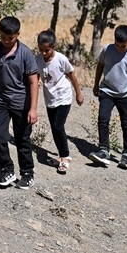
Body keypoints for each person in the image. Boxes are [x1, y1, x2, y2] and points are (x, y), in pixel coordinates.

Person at [0, 16, 42, 190]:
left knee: (22, 140)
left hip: (21, 103)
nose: (7, 41)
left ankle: (27, 173)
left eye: (11, 38)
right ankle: (7, 170)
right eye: (3, 37)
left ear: (18, 34)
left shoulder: (25, 53)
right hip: (0, 100)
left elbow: (34, 82)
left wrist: (33, 109)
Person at [91, 24, 127, 170]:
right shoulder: (107, 49)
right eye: (117, 44)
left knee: (126, 124)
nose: (120, 48)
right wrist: (96, 85)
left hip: (124, 95)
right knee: (103, 119)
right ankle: (104, 150)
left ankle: (126, 153)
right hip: (107, 91)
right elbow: (100, 66)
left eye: (123, 46)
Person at [36, 30, 84, 174]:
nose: (44, 53)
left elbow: (72, 76)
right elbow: (35, 78)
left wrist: (79, 93)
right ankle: (60, 155)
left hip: (64, 97)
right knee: (55, 128)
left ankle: (65, 157)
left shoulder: (61, 59)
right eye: (41, 50)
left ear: (54, 46)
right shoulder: (37, 59)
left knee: (58, 126)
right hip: (50, 98)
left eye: (47, 50)